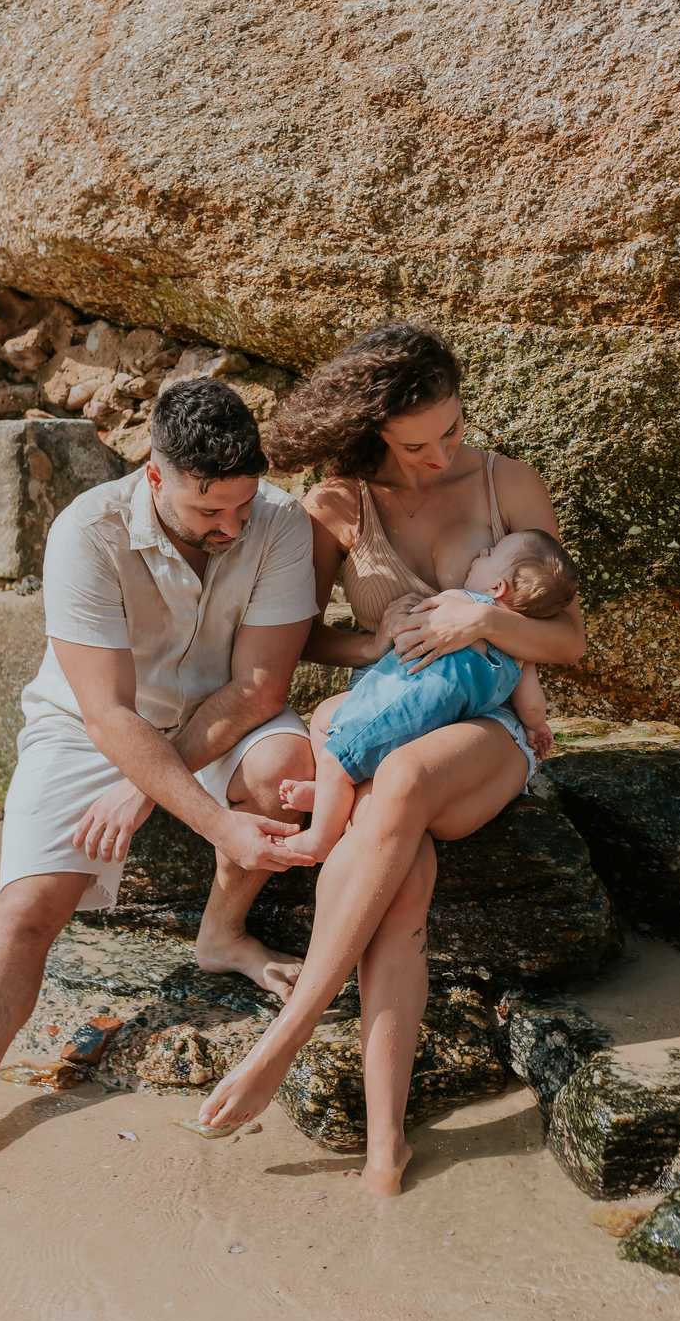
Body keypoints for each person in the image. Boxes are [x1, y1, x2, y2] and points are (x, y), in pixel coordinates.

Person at [196, 319, 587, 1194]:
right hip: (379, 710)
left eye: (452, 428)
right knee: (402, 873)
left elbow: (569, 637)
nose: (444, 452)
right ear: (375, 430)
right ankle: (385, 1151)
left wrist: (482, 620)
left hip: (481, 733)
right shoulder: (336, 507)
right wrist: (375, 643)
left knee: (404, 780)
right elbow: (297, 643)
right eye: (419, 442)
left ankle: (284, 1040)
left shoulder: (507, 482)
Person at [0, 379, 320, 1203]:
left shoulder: (279, 522)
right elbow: (105, 713)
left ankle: (222, 935)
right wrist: (202, 814)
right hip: (89, 725)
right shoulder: (85, 533)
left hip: (224, 718)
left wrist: (152, 791)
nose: (232, 526)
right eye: (212, 511)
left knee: (288, 774)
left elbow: (259, 685)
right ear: (154, 477)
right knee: (26, 908)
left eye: (243, 505)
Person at [280, 528, 577, 857]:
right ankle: (329, 794)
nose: (481, 552)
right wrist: (537, 729)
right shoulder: (521, 652)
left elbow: (409, 633)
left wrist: (401, 617)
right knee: (328, 718)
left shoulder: (459, 603)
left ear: (497, 587)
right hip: (443, 728)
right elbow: (532, 705)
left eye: (490, 553)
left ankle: (319, 837)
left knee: (335, 748)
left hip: (402, 704)